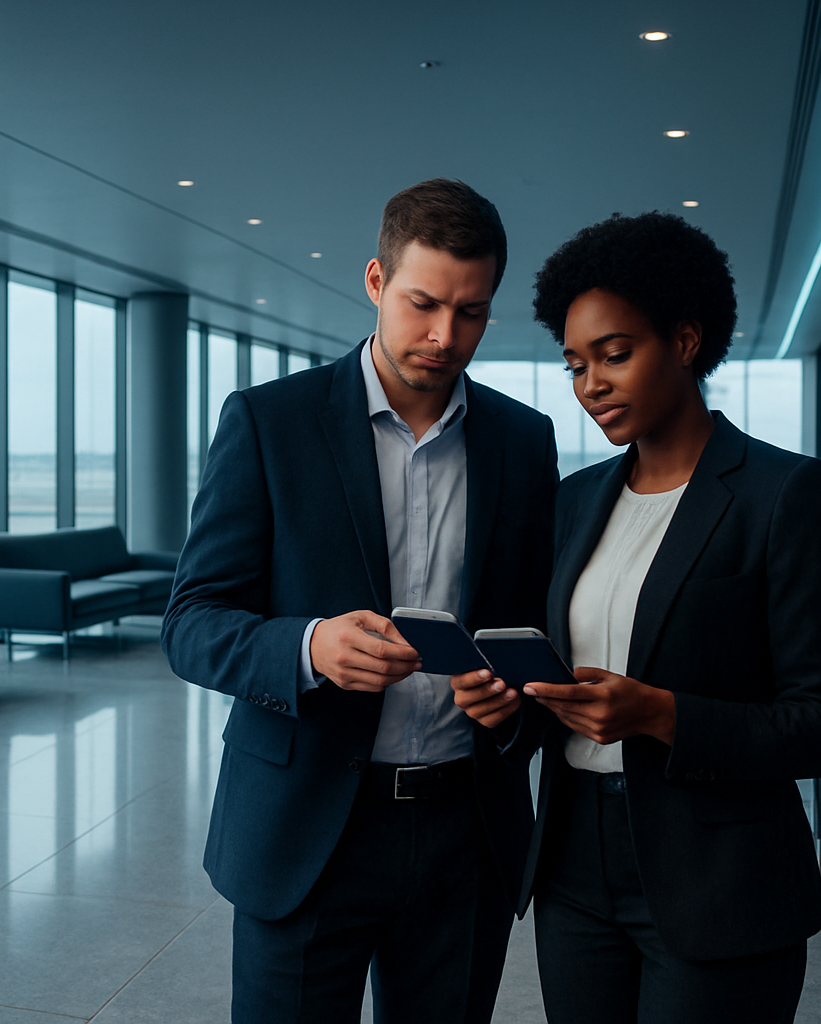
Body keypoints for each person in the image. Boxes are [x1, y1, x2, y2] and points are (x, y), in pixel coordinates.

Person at [162, 178, 558, 1024]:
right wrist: (308, 648)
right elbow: (191, 623)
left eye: (473, 313)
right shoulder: (269, 423)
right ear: (376, 282)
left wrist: (511, 704)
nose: (446, 336)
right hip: (305, 829)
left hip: (465, 833)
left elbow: (533, 626)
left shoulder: (525, 443)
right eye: (423, 304)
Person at [452, 211, 821, 1024]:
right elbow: (561, 690)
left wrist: (662, 716)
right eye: (575, 364)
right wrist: (508, 713)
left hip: (717, 879)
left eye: (615, 354)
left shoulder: (784, 494)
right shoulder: (575, 501)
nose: (591, 384)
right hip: (572, 868)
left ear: (683, 340)